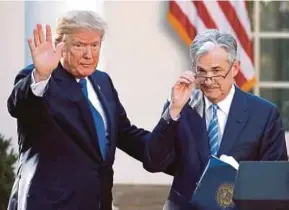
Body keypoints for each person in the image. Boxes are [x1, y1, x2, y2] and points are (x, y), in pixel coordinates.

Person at [7, 10, 175, 210]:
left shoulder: (102, 81)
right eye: (79, 45)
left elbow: (125, 134)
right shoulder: (40, 79)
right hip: (47, 203)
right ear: (59, 45)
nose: (89, 54)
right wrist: (41, 76)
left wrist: (181, 161)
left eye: (94, 45)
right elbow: (19, 106)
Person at [143, 29, 288, 210]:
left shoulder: (264, 114)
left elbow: (275, 183)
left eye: (216, 71)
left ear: (234, 68)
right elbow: (152, 162)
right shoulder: (180, 108)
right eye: (201, 72)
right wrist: (173, 110)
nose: (209, 80)